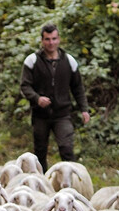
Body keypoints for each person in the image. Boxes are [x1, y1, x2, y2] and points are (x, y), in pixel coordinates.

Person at [20, 23, 90, 171]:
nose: (51, 43)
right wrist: (37, 98)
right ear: (42, 40)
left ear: (59, 39)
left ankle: (72, 181)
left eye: (54, 39)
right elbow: (25, 86)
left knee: (67, 149)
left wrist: (84, 109)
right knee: (40, 151)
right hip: (40, 115)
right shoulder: (32, 61)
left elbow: (77, 87)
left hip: (62, 114)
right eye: (47, 39)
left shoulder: (69, 61)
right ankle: (42, 181)